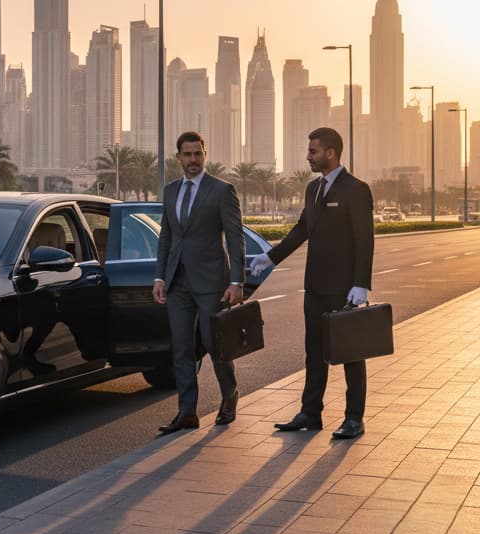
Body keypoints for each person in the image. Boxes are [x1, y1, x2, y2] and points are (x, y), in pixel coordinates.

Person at [250, 126, 374, 440]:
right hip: (315, 286)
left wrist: (361, 284)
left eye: (313, 151)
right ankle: (310, 412)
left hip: (345, 289)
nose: (308, 157)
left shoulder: (356, 189)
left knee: (350, 354)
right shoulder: (313, 189)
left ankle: (354, 418)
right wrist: (272, 257)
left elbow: (365, 240)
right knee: (313, 352)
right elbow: (302, 229)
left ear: (330, 153)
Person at [153, 131, 246, 434]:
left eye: (197, 154)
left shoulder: (221, 190)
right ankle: (187, 412)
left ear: (205, 154)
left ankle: (230, 395)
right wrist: (160, 276)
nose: (192, 160)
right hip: (177, 282)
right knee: (181, 349)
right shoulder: (170, 191)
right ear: (178, 157)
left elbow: (235, 237)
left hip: (211, 282)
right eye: (187, 154)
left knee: (214, 343)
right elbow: (166, 236)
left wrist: (236, 281)